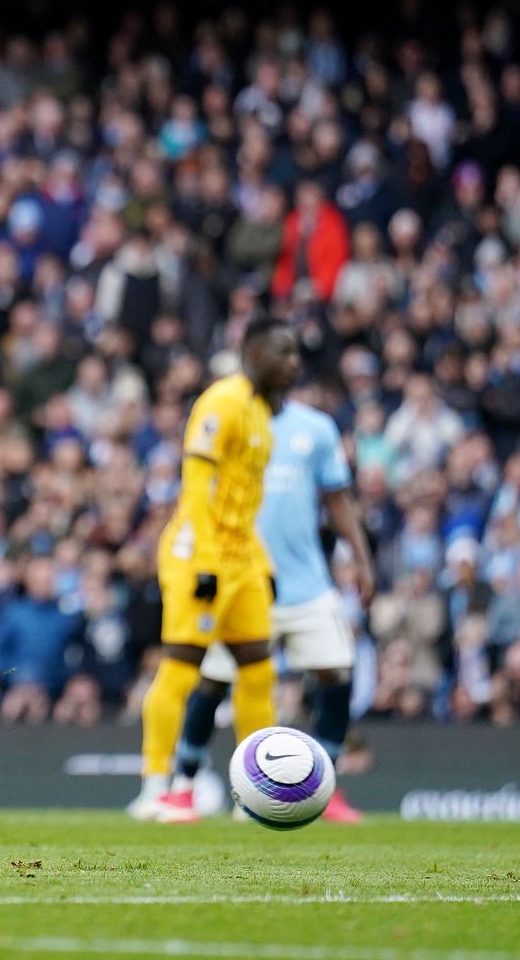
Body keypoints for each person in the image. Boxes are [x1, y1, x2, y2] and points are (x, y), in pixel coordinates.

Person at [144, 382, 377, 823]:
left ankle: (323, 786)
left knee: (337, 671)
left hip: (306, 580)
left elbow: (337, 499)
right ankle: (183, 786)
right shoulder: (232, 416)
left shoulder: (316, 428)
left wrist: (361, 558)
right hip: (242, 577)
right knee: (212, 681)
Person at [131, 316, 299, 823]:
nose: (293, 363)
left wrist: (261, 561)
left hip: (242, 557)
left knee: (258, 670)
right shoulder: (222, 402)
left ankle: (257, 792)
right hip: (198, 557)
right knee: (182, 668)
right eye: (283, 353)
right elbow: (196, 484)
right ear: (254, 354)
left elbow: (245, 502)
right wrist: (205, 561)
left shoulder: (262, 416)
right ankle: (155, 787)